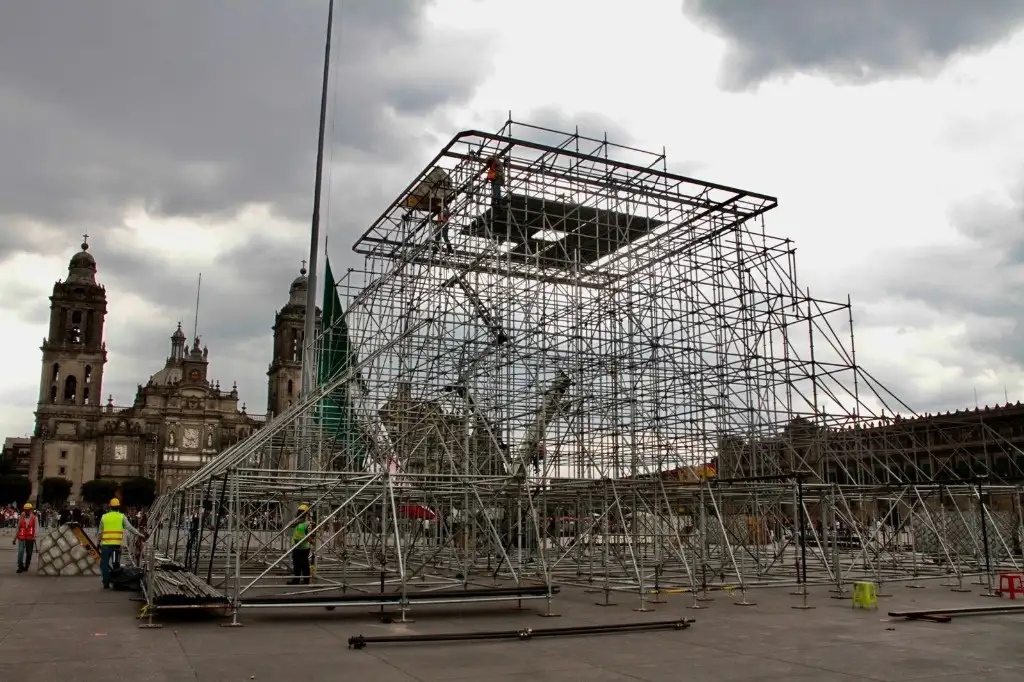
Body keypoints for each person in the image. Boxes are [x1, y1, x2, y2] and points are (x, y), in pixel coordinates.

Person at [98, 498, 139, 589]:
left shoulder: (104, 517)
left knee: (104, 564)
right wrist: (139, 534)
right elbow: (130, 528)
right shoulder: (122, 517)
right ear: (118, 506)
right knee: (116, 563)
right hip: (116, 545)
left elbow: (100, 533)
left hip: (105, 545)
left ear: (110, 506)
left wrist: (98, 543)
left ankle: (106, 583)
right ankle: (117, 582)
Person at [287, 504, 313, 585]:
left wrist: (304, 540)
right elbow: (289, 525)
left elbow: (310, 536)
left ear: (306, 514)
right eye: (299, 512)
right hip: (296, 547)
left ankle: (306, 580)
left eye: (302, 512)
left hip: (304, 547)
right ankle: (296, 580)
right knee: (296, 564)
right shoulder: (297, 522)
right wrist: (298, 520)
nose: (300, 513)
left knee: (304, 564)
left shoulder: (308, 523)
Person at [14, 503, 38, 573]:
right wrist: (14, 538)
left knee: (29, 553)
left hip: (30, 538)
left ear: (31, 510)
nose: (26, 511)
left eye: (28, 510)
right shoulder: (21, 517)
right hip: (21, 537)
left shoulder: (34, 518)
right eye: (25, 510)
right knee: (20, 552)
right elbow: (18, 528)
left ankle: (27, 565)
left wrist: (35, 536)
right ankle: (20, 567)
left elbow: (36, 528)